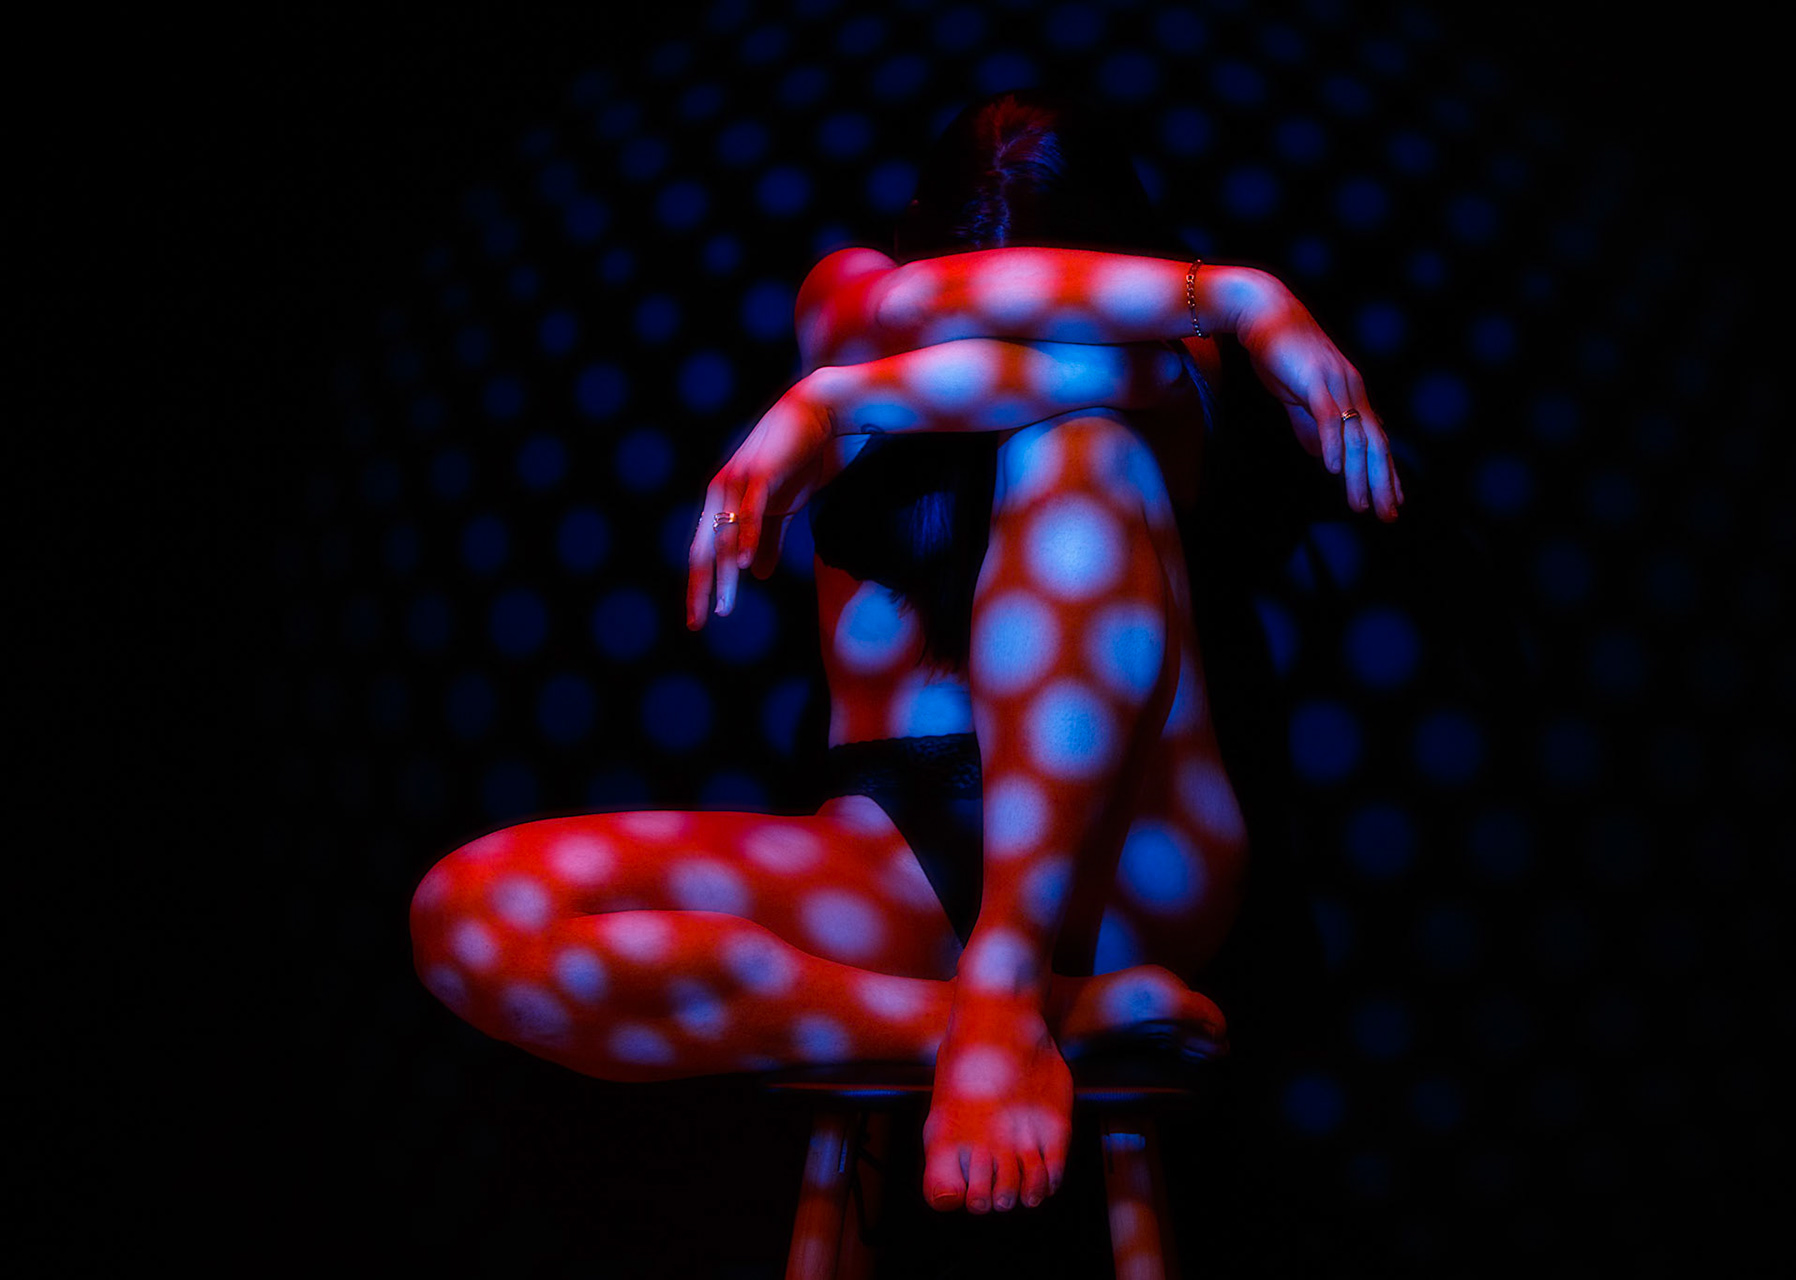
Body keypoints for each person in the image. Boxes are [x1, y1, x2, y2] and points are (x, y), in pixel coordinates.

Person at [411, 90, 1401, 1220]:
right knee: (472, 914)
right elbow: (907, 305)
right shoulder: (856, 301)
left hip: (1128, 863)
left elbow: (1105, 374)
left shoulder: (1178, 365)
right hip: (891, 861)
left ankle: (1010, 972)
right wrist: (1237, 292)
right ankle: (1004, 1016)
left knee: (1079, 451)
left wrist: (834, 404)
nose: (992, 324)